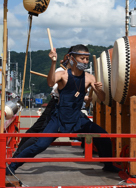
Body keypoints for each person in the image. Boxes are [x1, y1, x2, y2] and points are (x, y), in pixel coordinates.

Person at [6, 44, 120, 175]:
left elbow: (102, 98)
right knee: (40, 145)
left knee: (103, 136)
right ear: (72, 58)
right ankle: (12, 166)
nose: (85, 62)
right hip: (59, 118)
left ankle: (108, 165)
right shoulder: (63, 75)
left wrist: (99, 91)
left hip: (77, 118)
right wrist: (53, 63)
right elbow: (50, 83)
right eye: (82, 58)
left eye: (87, 59)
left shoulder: (90, 78)